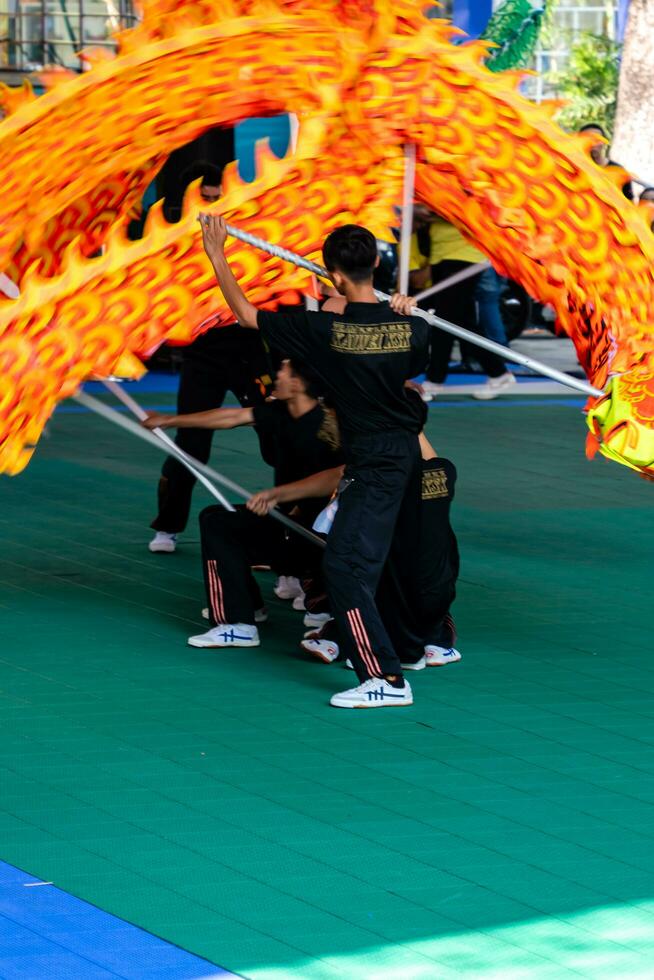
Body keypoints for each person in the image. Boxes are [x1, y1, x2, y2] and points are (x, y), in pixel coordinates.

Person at [200, 216, 430, 708]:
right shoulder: (415, 328)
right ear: (373, 264)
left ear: (334, 277)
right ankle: (364, 643)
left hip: (374, 464)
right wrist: (404, 311)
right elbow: (409, 364)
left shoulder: (320, 330)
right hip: (398, 457)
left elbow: (245, 314)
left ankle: (386, 680)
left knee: (346, 564)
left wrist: (217, 252)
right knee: (360, 560)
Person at [143, 358, 342, 647]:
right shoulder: (282, 412)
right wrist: (168, 421)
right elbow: (230, 417)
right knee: (215, 517)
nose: (277, 375)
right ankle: (247, 608)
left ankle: (237, 623)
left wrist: (279, 496)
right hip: (288, 522)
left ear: (298, 384)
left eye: (284, 372)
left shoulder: (328, 429)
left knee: (221, 525)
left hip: (316, 536)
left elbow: (335, 479)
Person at [249, 429, 461, 670]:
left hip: (408, 581)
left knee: (369, 589)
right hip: (429, 574)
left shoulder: (384, 479)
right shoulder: (442, 470)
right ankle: (344, 639)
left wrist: (279, 494)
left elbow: (342, 475)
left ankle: (419, 645)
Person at [148, 163, 272, 556]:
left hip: (252, 349)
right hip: (204, 353)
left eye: (221, 196)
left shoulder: (251, 233)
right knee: (192, 443)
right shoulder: (175, 244)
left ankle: (293, 537)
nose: (216, 206)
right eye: (208, 198)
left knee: (280, 434)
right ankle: (168, 525)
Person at [408, 211, 515, 402]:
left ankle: (435, 380)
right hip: (442, 253)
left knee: (445, 317)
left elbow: (462, 208)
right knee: (460, 320)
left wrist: (429, 211)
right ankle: (498, 373)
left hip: (464, 254)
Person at [579, 124, 634, 200]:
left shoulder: (617, 171)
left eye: (597, 139)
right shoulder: (574, 168)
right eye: (587, 139)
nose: (592, 143)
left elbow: (628, 202)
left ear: (604, 142)